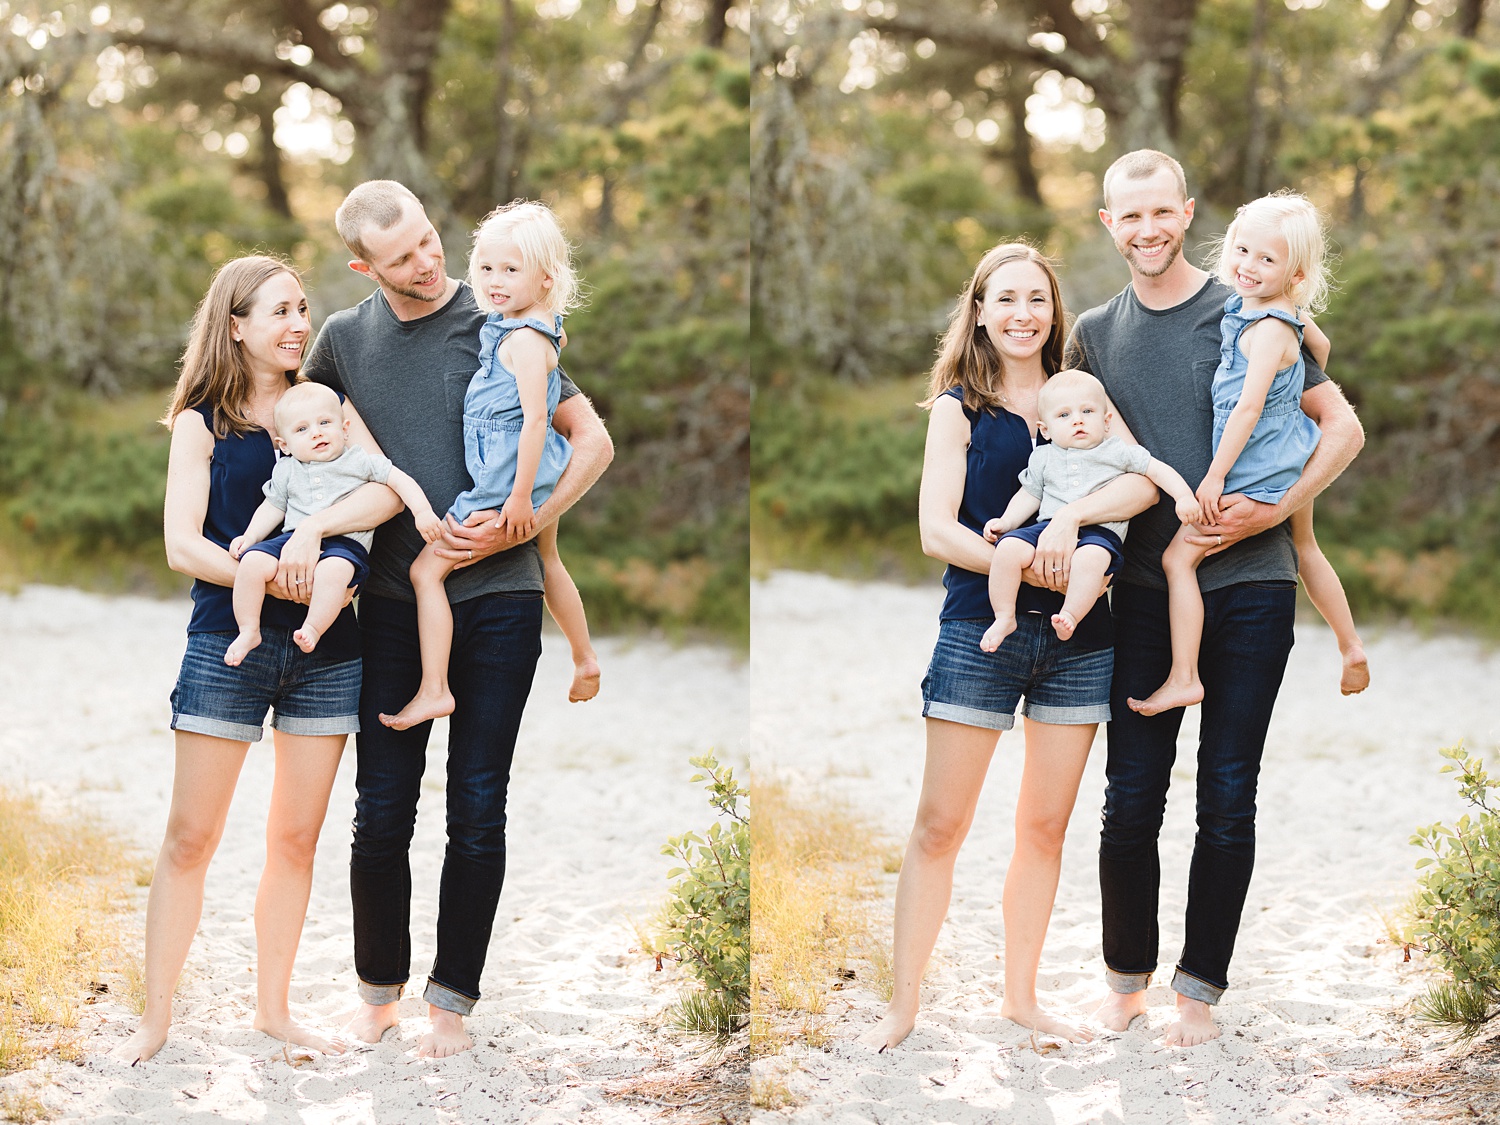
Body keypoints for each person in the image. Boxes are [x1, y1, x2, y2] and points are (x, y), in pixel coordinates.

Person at [300, 180, 613, 1057]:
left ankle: (451, 1004)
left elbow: (592, 441)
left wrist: (521, 521)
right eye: (404, 257)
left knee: (477, 805)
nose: (430, 262)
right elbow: (306, 432)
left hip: (503, 600)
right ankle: (376, 993)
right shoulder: (342, 342)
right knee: (380, 808)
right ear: (367, 265)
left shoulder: (501, 312)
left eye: (433, 240)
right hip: (395, 603)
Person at [1067, 150, 1365, 1047]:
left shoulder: (1246, 305)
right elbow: (1071, 435)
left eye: (1164, 211)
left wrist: (1270, 508)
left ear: (1187, 210)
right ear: (1108, 223)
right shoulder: (1093, 331)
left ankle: (1198, 992)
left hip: (1254, 586)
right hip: (1147, 589)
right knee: (1131, 796)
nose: (1150, 229)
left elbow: (1341, 427)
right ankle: (1126, 979)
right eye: (1131, 215)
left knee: (1228, 794)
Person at [858, 243, 1158, 1051]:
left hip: (1081, 635)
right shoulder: (960, 407)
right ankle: (904, 1008)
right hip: (978, 630)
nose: (1024, 313)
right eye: (1007, 299)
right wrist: (1016, 558)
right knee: (938, 826)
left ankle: (1020, 999)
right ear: (981, 311)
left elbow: (1140, 481)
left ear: (1053, 311)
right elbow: (934, 529)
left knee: (1044, 827)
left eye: (1038, 299)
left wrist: (1067, 519)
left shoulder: (1079, 396)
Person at [112, 255, 403, 1065]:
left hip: (327, 647)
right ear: (235, 323)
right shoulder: (201, 420)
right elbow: (181, 543)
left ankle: (271, 1010)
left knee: (295, 840)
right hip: (226, 640)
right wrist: (267, 572)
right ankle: (155, 1021)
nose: (299, 323)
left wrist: (313, 531)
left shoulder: (325, 405)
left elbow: (382, 491)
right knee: (189, 839)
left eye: (303, 307)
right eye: (280, 310)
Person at [1126, 191, 1369, 715]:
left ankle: (1184, 676)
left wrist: (1214, 478)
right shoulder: (1274, 311)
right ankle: (1351, 646)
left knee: (1176, 558)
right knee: (1305, 547)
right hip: (1290, 451)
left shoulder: (1266, 330)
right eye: (1242, 251)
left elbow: (1247, 409)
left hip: (1254, 467)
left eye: (1266, 259)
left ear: (1296, 271)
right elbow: (1319, 349)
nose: (1248, 266)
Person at [379, 200, 598, 731]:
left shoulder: (522, 340)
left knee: (424, 570)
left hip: (507, 479)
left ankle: (434, 689)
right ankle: (584, 656)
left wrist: (521, 500)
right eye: (486, 268)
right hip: (532, 472)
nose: (494, 281)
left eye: (511, 270)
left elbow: (535, 421)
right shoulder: (533, 325)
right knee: (548, 561)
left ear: (545, 278)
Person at [980, 368, 1199, 651]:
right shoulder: (1044, 456)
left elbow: (1156, 470)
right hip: (1047, 530)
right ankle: (1004, 616)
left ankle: (1070, 615)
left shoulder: (1116, 451)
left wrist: (1183, 496)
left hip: (1099, 533)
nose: (1078, 421)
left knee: (1090, 559)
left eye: (1087, 411)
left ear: (1107, 421)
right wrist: (1006, 522)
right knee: (1007, 550)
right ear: (1044, 429)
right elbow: (1029, 494)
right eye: (1064, 415)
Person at [226, 381, 442, 666]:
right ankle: (248, 630)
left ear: (344, 428)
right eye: (302, 429)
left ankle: (313, 628)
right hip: (293, 543)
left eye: (325, 422)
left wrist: (423, 512)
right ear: (285, 445)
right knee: (251, 563)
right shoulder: (287, 469)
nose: (316, 433)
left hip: (345, 545)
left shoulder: (358, 460)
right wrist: (250, 537)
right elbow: (273, 506)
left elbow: (398, 480)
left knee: (334, 569)